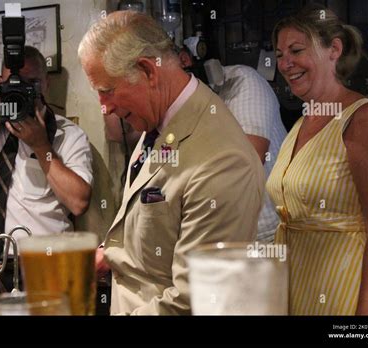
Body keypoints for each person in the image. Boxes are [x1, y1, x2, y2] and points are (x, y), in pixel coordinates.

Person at [78, 11, 265, 315]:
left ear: (147, 70)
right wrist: (111, 254)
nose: (105, 107)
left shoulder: (222, 161)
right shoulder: (159, 119)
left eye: (107, 91)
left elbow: (194, 302)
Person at [267, 5, 368, 315]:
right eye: (280, 54)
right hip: (295, 294)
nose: (285, 64)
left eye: (296, 50)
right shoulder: (301, 122)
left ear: (334, 49)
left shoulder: (365, 118)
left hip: (345, 298)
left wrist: (364, 322)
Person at [0, 46, 93, 264]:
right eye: (10, 84)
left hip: (48, 264)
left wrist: (41, 146)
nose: (20, 92)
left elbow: (79, 203)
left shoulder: (68, 135)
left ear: (46, 84)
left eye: (29, 83)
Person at [179, 48, 287, 243]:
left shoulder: (240, 81)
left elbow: (247, 162)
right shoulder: (173, 106)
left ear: (184, 60)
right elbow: (119, 133)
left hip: (265, 235)